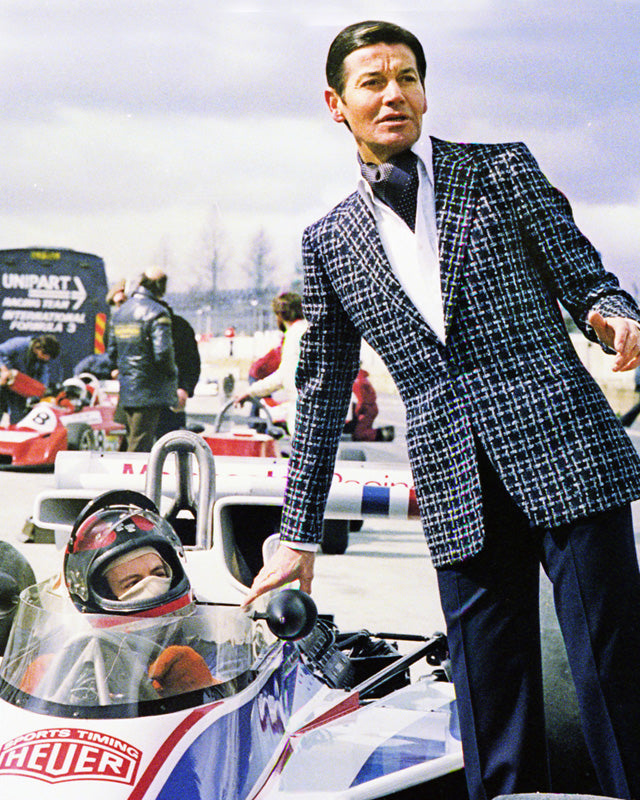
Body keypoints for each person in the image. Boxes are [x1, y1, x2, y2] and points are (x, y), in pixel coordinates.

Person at [242, 20, 640, 800]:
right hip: (458, 485)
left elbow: (584, 274)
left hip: (565, 448)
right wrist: (296, 539)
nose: (394, 94)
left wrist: (613, 311)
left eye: (408, 77)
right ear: (337, 103)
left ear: (424, 90)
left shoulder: (502, 171)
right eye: (372, 82)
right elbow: (322, 394)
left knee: (613, 680)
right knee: (489, 701)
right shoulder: (327, 241)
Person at [19, 493, 220, 700]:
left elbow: (237, 697)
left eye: (159, 573)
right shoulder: (68, 658)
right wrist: (40, 693)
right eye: (133, 582)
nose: (152, 584)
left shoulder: (205, 649)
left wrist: (205, 688)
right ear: (102, 594)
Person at [107, 268, 178, 451]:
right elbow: (163, 354)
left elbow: (112, 353)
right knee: (140, 447)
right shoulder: (158, 313)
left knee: (131, 439)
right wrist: (172, 374)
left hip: (127, 390)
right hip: (148, 392)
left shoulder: (121, 313)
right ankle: (134, 480)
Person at [234, 292, 308, 435]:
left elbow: (283, 376)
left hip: (301, 410)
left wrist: (250, 391)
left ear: (280, 315)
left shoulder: (293, 335)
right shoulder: (309, 329)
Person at [155, 311, 201, 439]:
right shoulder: (178, 324)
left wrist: (184, 387)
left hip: (165, 400)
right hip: (149, 398)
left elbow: (191, 362)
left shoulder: (178, 326)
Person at [0, 334, 61, 423]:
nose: (47, 359)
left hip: (16, 384)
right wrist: (4, 369)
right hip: (2, 378)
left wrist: (42, 392)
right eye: (47, 355)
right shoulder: (19, 344)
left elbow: (43, 376)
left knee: (19, 415)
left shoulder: (41, 360)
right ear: (40, 349)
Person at [343, 366, 394, 441]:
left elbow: (362, 398)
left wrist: (358, 410)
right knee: (356, 427)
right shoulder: (361, 378)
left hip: (367, 409)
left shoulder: (357, 381)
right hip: (368, 408)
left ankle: (383, 433)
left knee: (358, 434)